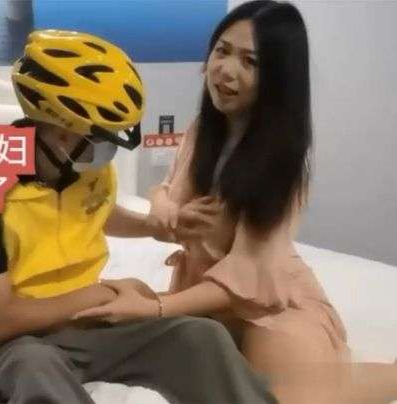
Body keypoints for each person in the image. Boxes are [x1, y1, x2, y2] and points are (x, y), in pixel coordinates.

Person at [73, 2, 397, 403]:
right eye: (222, 51)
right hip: (205, 297)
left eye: (250, 62)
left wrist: (156, 308)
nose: (225, 70)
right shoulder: (203, 131)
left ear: (278, 77)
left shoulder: (282, 161)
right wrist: (162, 205)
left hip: (269, 303)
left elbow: (248, 275)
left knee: (289, 399)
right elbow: (167, 191)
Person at [0, 29, 277, 403]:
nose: (107, 151)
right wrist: (100, 293)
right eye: (101, 138)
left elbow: (95, 210)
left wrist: (152, 227)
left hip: (88, 325)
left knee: (201, 335)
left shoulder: (84, 167)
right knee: (34, 365)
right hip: (12, 342)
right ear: (61, 133)